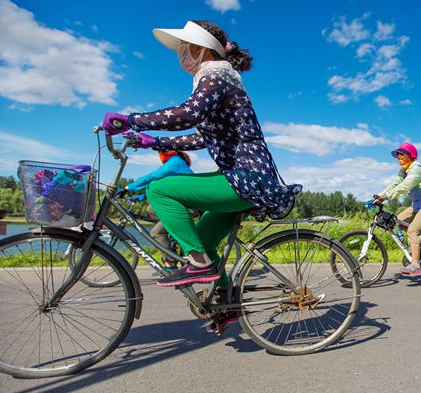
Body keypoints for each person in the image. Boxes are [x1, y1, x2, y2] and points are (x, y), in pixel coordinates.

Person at [101, 20, 301, 293]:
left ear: (202, 49)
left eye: (186, 46)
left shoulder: (216, 75)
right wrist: (154, 142)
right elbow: (200, 137)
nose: (180, 52)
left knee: (159, 189)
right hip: (246, 178)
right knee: (204, 241)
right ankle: (226, 303)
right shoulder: (220, 78)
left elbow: (188, 114)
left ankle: (198, 264)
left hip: (245, 179)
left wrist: (132, 120)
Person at [373, 142, 421, 276]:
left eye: (402, 154)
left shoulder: (416, 169)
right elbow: (395, 184)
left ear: (410, 156)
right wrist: (380, 195)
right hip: (416, 206)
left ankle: (415, 264)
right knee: (398, 221)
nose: (399, 157)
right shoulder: (404, 171)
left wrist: (386, 197)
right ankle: (419, 243)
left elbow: (404, 186)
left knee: (413, 231)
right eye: (398, 155)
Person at [124, 150, 195, 271]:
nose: (160, 154)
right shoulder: (175, 163)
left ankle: (170, 264)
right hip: (182, 202)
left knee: (156, 233)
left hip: (189, 205)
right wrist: (143, 196)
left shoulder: (176, 162)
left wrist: (128, 187)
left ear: (171, 151)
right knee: (151, 209)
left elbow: (153, 176)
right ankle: (171, 237)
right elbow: (165, 187)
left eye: (161, 151)